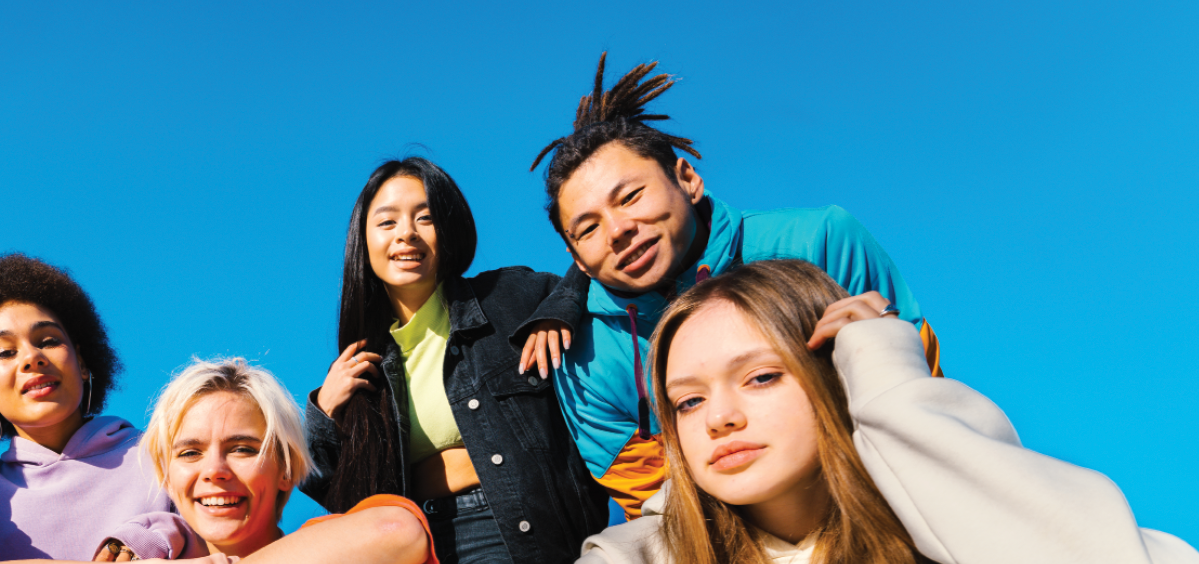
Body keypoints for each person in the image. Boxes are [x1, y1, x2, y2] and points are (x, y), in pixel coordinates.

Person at [528, 54, 941, 519]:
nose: (618, 229)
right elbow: (654, 500)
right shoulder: (581, 359)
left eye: (630, 196)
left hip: (880, 502)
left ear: (687, 178)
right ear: (575, 258)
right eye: (587, 228)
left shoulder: (819, 241)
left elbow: (910, 382)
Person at [578, 260, 1197, 564]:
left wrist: (886, 379)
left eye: (762, 377)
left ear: (837, 380)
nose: (720, 418)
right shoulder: (638, 557)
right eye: (688, 401)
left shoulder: (947, 523)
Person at [303, 157, 607, 564]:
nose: (406, 234)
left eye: (424, 218)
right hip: (414, 545)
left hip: (512, 530)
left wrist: (562, 308)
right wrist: (323, 412)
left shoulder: (509, 297)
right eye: (387, 222)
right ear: (363, 242)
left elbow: (599, 268)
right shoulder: (363, 365)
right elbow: (327, 487)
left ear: (448, 230)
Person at [0, 253, 182, 564]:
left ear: (82, 363)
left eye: (48, 341)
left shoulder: (163, 456)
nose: (32, 358)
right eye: (6, 352)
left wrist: (164, 534)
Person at [125, 357, 436, 564]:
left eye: (242, 449)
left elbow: (397, 530)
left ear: (286, 468)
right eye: (190, 453)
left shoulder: (339, 550)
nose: (214, 471)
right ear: (166, 475)